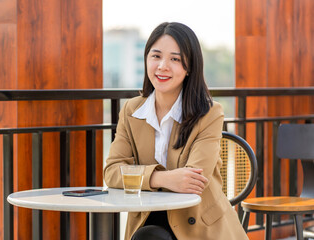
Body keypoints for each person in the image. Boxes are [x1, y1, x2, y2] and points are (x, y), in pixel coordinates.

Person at [103, 22, 248, 240]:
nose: (162, 66)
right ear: (146, 59)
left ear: (189, 67)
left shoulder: (209, 113)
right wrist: (161, 179)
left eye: (175, 59)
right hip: (147, 218)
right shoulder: (131, 111)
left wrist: (139, 176)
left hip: (197, 224)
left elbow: (193, 181)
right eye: (156, 56)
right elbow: (112, 172)